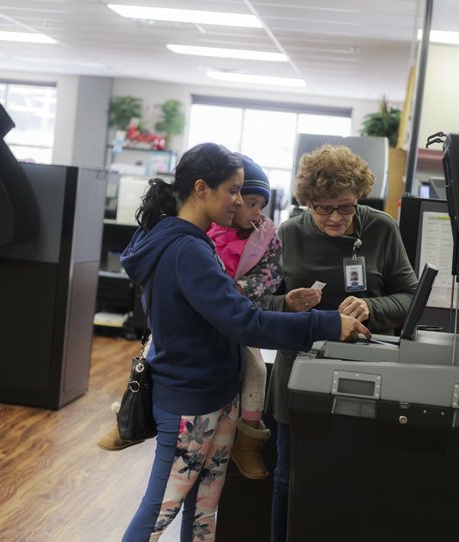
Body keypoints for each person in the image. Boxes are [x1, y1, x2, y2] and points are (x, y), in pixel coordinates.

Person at [118, 142, 370, 542]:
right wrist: (324, 324)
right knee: (159, 511)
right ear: (201, 189)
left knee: (204, 510)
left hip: (216, 395)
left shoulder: (192, 241)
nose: (239, 201)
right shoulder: (186, 250)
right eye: (232, 191)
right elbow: (243, 321)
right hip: (190, 400)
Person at [261, 144, 419, 542]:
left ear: (359, 198)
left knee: (356, 479)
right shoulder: (287, 234)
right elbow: (258, 303)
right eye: (322, 207)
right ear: (307, 202)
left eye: (345, 207)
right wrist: (286, 302)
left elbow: (411, 297)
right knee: (289, 478)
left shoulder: (381, 228)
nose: (335, 217)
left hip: (365, 372)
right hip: (298, 370)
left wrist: (370, 306)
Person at [206, 154, 279, 480]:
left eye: (260, 204)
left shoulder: (267, 236)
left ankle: (248, 439)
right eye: (250, 202)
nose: (256, 210)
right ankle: (128, 415)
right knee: (154, 348)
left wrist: (238, 289)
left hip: (239, 317)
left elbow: (271, 277)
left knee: (257, 370)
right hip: (201, 316)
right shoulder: (206, 229)